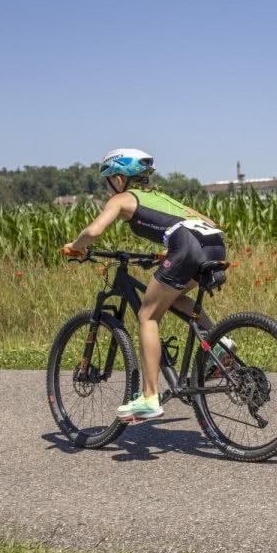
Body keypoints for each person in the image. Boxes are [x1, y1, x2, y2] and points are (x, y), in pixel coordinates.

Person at [60, 149, 226, 422]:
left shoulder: (122, 199)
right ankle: (219, 345)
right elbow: (205, 223)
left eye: (108, 180)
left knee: (147, 315)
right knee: (172, 296)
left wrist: (74, 247)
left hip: (185, 248)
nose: (108, 187)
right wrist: (170, 253)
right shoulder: (160, 196)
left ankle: (149, 397)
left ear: (118, 178)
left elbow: (94, 232)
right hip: (214, 244)